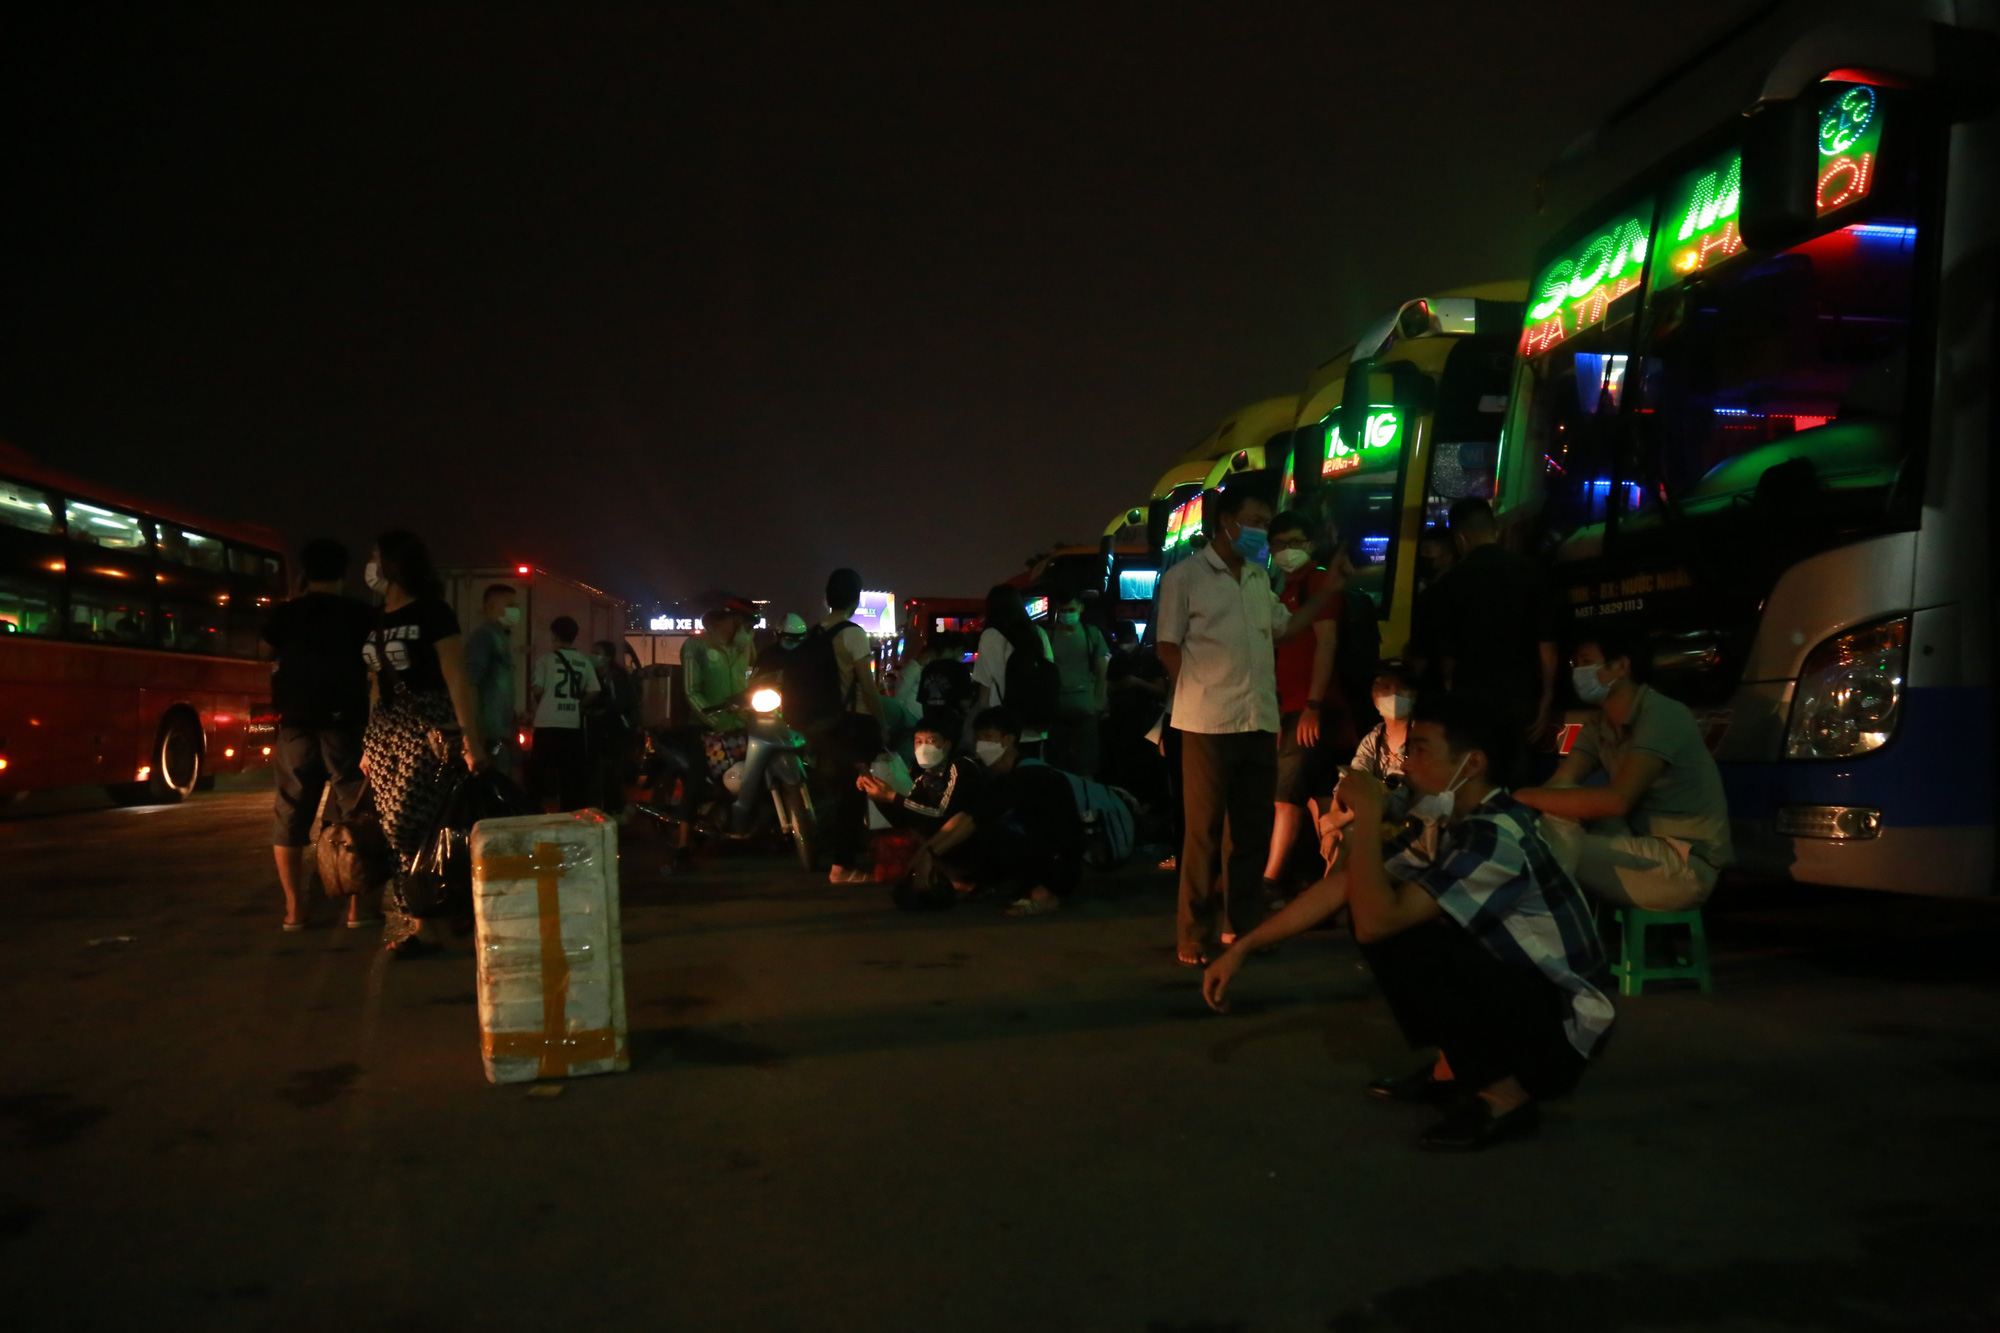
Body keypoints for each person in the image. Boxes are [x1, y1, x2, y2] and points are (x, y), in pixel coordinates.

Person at [1203, 694, 1614, 1151]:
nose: (1407, 760)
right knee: (1397, 920)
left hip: (1559, 1030)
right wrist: (1243, 947)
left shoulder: (1495, 834)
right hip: (1528, 999)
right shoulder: (1449, 819)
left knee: (1402, 931)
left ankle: (1506, 1096)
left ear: (1471, 764)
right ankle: (1454, 1067)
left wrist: (1367, 816)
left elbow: (1378, 920)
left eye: (1420, 749)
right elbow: (1344, 887)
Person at [1156, 476, 1341, 966]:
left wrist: (1325, 595)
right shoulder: (1187, 578)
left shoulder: (1261, 580)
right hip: (1206, 725)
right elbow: (1167, 644)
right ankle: (1193, 933)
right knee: (1203, 833)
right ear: (1227, 522)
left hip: (1258, 720)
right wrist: (1196, 689)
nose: (1263, 533)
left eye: (1265, 523)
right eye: (1256, 523)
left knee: (1251, 832)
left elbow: (1286, 631)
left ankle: (1244, 927)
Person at [1514, 627, 1734, 911]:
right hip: (1638, 843)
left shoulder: (1663, 714)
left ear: (1620, 666)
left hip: (1686, 862)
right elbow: (1561, 784)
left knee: (1545, 852)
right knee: (1553, 824)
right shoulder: (1597, 725)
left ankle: (1545, 938)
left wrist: (1523, 796)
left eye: (1585, 661)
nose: (1577, 672)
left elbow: (1618, 801)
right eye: (1575, 665)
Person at [358, 530, 491, 957]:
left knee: (415, 823)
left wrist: (471, 740)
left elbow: (456, 677)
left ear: (394, 564)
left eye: (375, 558)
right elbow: (377, 684)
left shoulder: (434, 612)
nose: (371, 566)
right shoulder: (376, 616)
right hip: (384, 732)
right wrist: (368, 744)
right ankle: (423, 925)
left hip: (428, 729)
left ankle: (448, 909)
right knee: (396, 831)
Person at [263, 537, 375, 931]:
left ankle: (295, 910)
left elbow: (264, 653)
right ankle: (358, 910)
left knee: (291, 816)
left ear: (305, 574)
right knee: (356, 814)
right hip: (345, 727)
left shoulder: (285, 615)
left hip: (295, 726)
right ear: (344, 573)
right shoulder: (360, 614)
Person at [1261, 512, 1352, 909]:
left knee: (1287, 798)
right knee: (1319, 798)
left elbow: (1326, 644)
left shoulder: (1317, 583)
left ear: (1311, 545)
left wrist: (1313, 705)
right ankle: (1335, 884)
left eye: (1294, 542)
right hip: (1294, 706)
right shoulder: (1286, 588)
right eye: (1279, 544)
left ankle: (1270, 882)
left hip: (1309, 707)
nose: (1286, 551)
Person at [917, 708, 1084, 917]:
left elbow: (972, 821)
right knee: (959, 830)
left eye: (988, 737)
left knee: (984, 831)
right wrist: (925, 852)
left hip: (1061, 863)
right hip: (1042, 852)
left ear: (1008, 740)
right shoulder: (1003, 777)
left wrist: (929, 855)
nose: (981, 745)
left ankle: (1046, 894)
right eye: (978, 738)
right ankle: (983, 883)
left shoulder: (1030, 775)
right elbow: (965, 817)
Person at [1430, 498, 1558, 757]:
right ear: (1495, 530)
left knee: (1476, 774)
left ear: (1460, 539)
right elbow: (1547, 643)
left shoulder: (1450, 583)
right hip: (1521, 698)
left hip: (1472, 699)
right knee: (1517, 772)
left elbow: (1447, 659)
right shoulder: (1532, 571)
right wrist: (1547, 696)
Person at [792, 568, 884, 885]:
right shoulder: (852, 633)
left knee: (832, 789)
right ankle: (842, 866)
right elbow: (868, 688)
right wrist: (882, 722)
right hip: (851, 722)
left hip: (819, 724)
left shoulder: (815, 632)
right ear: (856, 599)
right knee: (854, 791)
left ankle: (835, 851)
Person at [857, 716, 983, 909]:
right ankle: (951, 877)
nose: (923, 747)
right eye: (918, 742)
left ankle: (959, 877)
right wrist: (877, 794)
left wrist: (892, 797)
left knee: (926, 829)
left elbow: (941, 813)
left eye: (931, 741)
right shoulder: (924, 778)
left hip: (974, 838)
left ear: (947, 745)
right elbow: (907, 816)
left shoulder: (959, 766)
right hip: (946, 841)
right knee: (913, 829)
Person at [1315, 666, 1416, 865]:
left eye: (1402, 688)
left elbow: (1403, 799)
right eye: (1386, 688)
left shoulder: (1421, 739)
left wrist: (1343, 818)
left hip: (1409, 824)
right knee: (1339, 837)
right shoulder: (1374, 739)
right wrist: (1335, 824)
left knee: (1348, 836)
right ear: (1374, 697)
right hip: (1371, 813)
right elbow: (1351, 779)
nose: (1394, 694)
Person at [970, 584, 1055, 757]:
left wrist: (983, 726)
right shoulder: (1038, 633)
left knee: (1005, 776)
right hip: (1035, 723)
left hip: (1002, 726)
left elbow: (985, 685)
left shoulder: (990, 636)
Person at [528, 615, 601, 812]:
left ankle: (534, 812)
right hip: (571, 724)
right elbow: (594, 690)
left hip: (546, 723)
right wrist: (578, 704)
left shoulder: (546, 660)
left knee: (538, 773)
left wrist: (546, 701)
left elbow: (537, 690)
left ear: (553, 635)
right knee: (570, 775)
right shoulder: (584, 661)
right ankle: (570, 815)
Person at [682, 600, 755, 788]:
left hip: (739, 726)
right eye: (747, 625)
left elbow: (759, 671)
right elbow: (691, 691)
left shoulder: (743, 646)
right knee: (696, 783)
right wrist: (715, 721)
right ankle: (687, 816)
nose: (749, 632)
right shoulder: (695, 646)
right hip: (704, 728)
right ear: (734, 620)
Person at [1044, 588, 1110, 777]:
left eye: (1071, 610)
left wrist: (1099, 701)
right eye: (1063, 610)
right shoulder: (1048, 636)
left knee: (1087, 763)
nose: (1067, 614)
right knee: (1059, 762)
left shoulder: (1092, 634)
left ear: (1081, 608)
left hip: (1085, 709)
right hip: (1058, 709)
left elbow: (1101, 669)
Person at [462, 582, 521, 778]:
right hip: (489, 734)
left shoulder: (502, 637)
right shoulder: (484, 636)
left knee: (501, 774)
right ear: (490, 607)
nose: (516, 611)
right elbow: (471, 682)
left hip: (500, 733)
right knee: (495, 777)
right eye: (510, 605)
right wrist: (475, 733)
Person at [587, 638, 640, 815]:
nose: (593, 656)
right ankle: (605, 807)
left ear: (608, 658)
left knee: (613, 769)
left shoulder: (618, 676)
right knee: (598, 770)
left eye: (597, 653)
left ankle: (616, 808)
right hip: (599, 730)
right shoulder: (592, 674)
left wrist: (604, 713)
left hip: (616, 730)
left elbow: (623, 703)